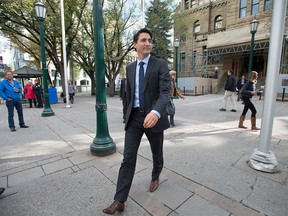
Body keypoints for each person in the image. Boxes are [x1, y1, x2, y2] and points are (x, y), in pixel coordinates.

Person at [102, 28, 171, 215]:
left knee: (157, 153)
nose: (148, 43)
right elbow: (128, 95)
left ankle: (155, 175)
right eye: (143, 40)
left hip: (153, 118)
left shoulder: (160, 65)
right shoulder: (130, 68)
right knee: (128, 158)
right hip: (134, 118)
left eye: (149, 40)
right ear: (135, 44)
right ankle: (119, 200)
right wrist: (126, 115)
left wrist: (156, 112)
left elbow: (166, 92)